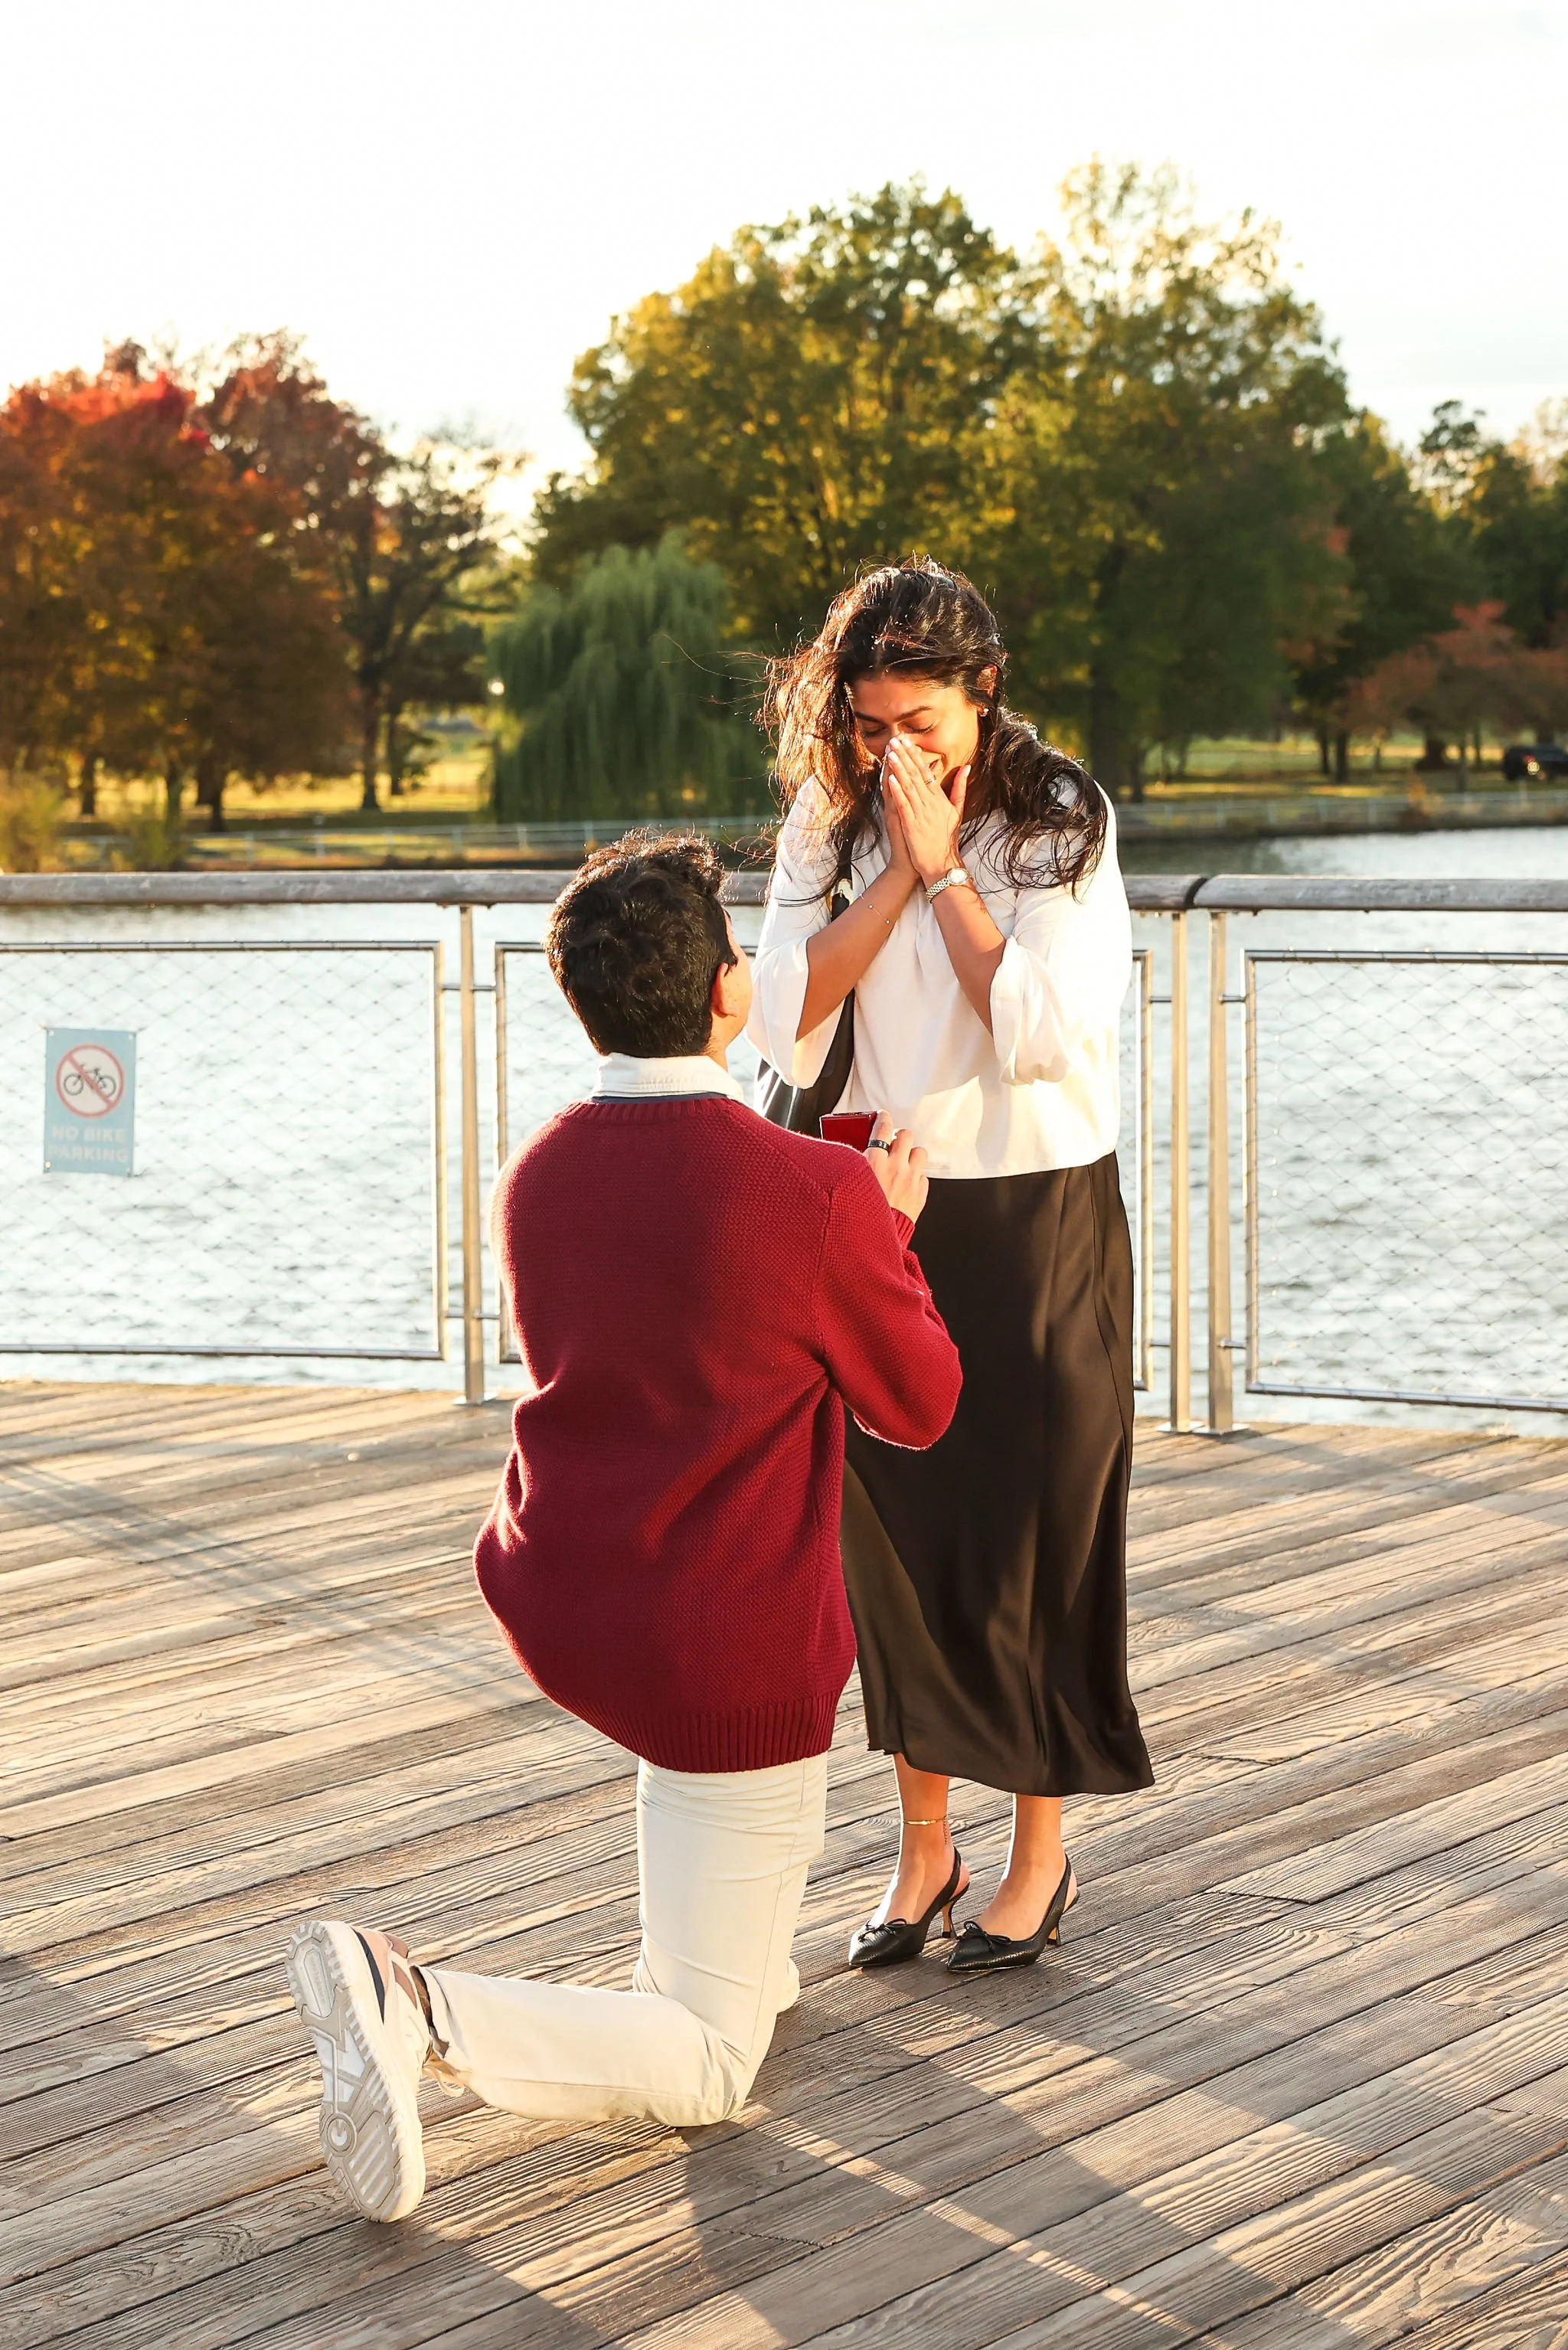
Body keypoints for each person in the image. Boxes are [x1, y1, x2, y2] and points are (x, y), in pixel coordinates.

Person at [285, 833, 961, 2223]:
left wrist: (831, 1218)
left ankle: (734, 1952)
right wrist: (883, 1229)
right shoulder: (814, 1197)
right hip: (723, 1648)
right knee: (712, 2062)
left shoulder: (539, 1172)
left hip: (573, 1595)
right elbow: (921, 1406)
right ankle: (422, 2008)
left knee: (743, 1940)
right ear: (729, 996)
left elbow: (665, 1313)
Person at [750, 557, 1153, 1979]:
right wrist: (891, 871)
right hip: (881, 1204)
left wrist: (949, 881)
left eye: (918, 722)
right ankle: (926, 1843)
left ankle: (1040, 1852)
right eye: (867, 724)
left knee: (1036, 1530)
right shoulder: (830, 812)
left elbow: (1044, 1032)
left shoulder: (1061, 823)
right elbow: (784, 1018)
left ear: (984, 695)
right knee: (898, 1538)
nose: (890, 750)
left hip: (1037, 1207)